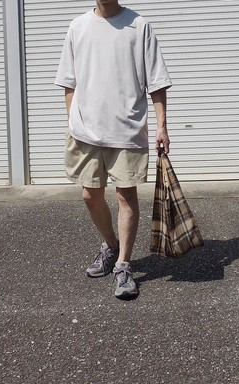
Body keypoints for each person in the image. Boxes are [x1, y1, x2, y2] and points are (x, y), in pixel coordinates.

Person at [55, 0, 172, 299]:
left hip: (127, 130)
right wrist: (73, 122)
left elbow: (156, 82)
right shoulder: (78, 27)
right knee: (89, 195)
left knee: (125, 196)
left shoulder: (139, 26)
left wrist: (161, 126)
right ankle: (112, 244)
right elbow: (69, 82)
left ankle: (123, 265)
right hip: (85, 132)